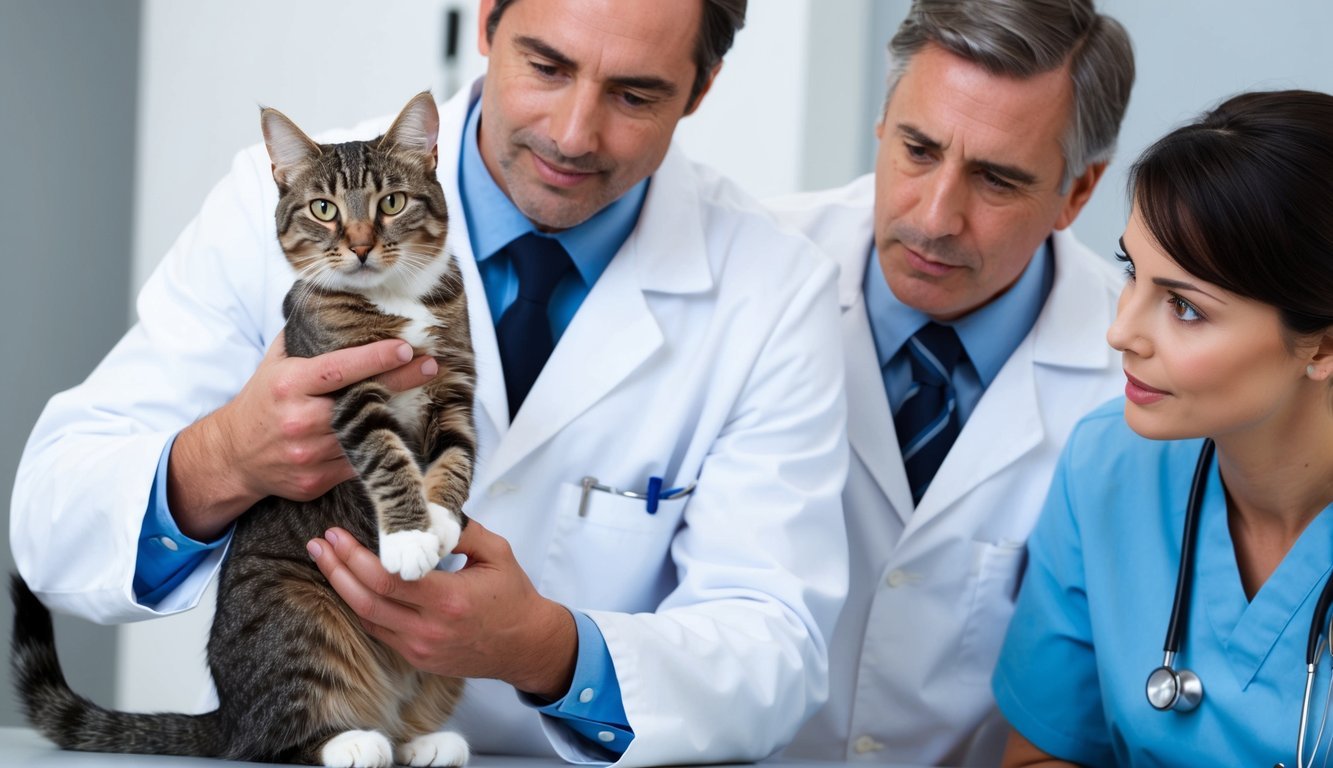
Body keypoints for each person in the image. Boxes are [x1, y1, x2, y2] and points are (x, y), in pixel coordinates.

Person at [10, 0, 851, 765]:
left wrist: (548, 650)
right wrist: (226, 456)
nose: (572, 132)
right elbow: (53, 517)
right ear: (486, 21)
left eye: (634, 95)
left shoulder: (772, 288)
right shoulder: (276, 208)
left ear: (699, 90)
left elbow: (776, 647)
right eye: (547, 67)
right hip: (307, 725)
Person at [765, 0, 1134, 764]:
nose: (935, 217)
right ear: (881, 125)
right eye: (918, 149)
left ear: (1076, 193)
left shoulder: (1131, 377)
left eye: (996, 180)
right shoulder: (751, 274)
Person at [993, 89, 1333, 767]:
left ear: (1320, 347)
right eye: (1131, 273)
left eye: (1182, 306)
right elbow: (1040, 754)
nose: (1120, 332)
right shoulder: (1107, 467)